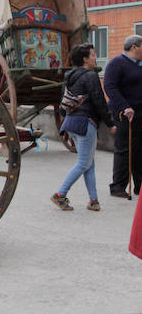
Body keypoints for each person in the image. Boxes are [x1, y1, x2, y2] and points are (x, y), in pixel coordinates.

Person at [51, 44, 116, 211]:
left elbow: (64, 101)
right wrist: (110, 123)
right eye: (93, 55)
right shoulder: (91, 76)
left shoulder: (69, 76)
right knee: (83, 163)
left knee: (89, 163)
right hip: (85, 123)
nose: (95, 57)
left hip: (71, 123)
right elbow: (99, 101)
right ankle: (60, 194)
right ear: (86, 59)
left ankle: (93, 201)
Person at [103, 34, 142, 199]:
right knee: (124, 149)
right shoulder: (117, 63)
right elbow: (110, 87)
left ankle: (139, 186)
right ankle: (118, 186)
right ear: (134, 47)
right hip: (125, 113)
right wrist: (125, 106)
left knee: (140, 150)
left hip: (140, 112)